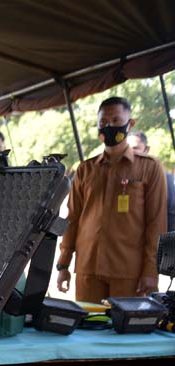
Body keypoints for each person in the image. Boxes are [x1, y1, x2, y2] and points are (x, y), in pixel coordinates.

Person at [57, 96, 167, 303]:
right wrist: (63, 264)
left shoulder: (149, 167)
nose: (109, 126)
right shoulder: (86, 169)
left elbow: (156, 223)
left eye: (116, 120)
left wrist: (151, 271)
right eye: (103, 122)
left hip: (129, 272)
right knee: (89, 331)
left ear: (130, 124)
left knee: (125, 333)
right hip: (88, 270)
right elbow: (72, 219)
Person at [127, 130, 175, 232]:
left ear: (146, 149)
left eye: (135, 148)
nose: (131, 152)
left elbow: (170, 211)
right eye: (127, 149)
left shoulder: (162, 176)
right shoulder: (123, 178)